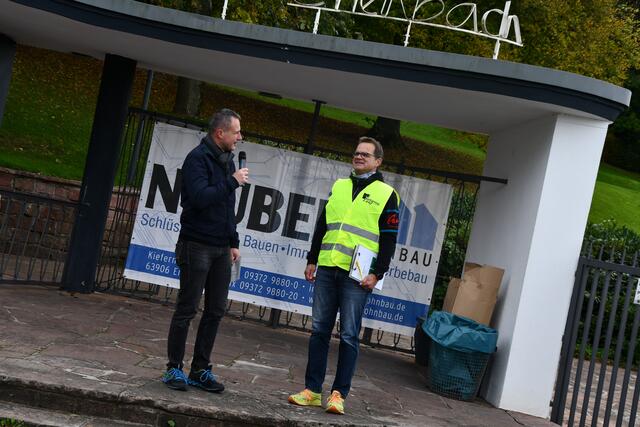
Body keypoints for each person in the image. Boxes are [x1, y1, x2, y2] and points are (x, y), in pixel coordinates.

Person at [288, 137, 400, 414]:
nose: (359, 157)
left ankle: (339, 394)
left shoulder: (387, 194)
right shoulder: (339, 186)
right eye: (356, 153)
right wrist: (312, 259)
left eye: (365, 154)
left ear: (378, 161)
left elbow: (389, 239)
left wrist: (378, 273)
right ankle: (312, 391)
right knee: (319, 331)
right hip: (327, 268)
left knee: (349, 335)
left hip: (357, 276)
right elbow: (322, 225)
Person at [162, 108, 249, 392]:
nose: (240, 137)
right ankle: (174, 368)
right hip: (196, 243)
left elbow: (227, 206)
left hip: (221, 247)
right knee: (187, 308)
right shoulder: (197, 159)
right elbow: (200, 198)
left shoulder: (227, 160)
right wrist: (232, 181)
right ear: (220, 133)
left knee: (216, 310)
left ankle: (200, 369)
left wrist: (233, 241)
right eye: (236, 132)